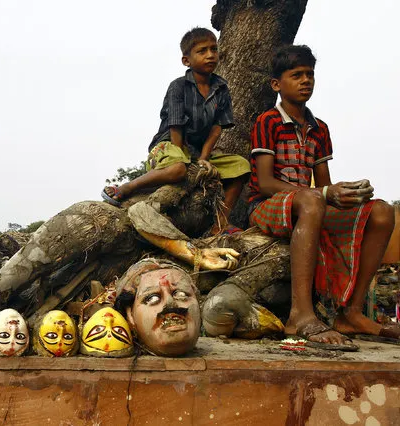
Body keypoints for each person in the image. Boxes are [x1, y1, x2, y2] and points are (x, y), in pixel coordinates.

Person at [248, 45, 397, 348]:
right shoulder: (268, 121)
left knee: (381, 211)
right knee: (313, 199)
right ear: (277, 84)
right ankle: (300, 315)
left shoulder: (320, 129)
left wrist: (345, 193)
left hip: (308, 204)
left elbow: (324, 185)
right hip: (265, 206)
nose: (306, 81)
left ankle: (351, 313)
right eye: (297, 75)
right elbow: (264, 183)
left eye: (310, 75)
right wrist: (321, 194)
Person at [102, 27, 250, 233]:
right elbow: (176, 126)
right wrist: (185, 160)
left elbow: (217, 128)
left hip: (197, 152)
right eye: (202, 51)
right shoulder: (178, 87)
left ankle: (220, 224)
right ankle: (128, 187)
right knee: (179, 169)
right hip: (169, 144)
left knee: (241, 166)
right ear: (186, 61)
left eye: (213, 49)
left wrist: (204, 158)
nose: (210, 55)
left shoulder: (221, 89)